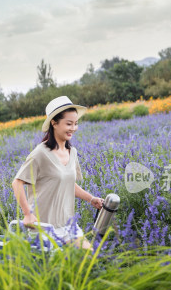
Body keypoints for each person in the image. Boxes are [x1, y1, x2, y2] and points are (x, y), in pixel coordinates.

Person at [11, 96, 104, 248]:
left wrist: (91, 198)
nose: (73, 128)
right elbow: (17, 183)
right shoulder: (40, 153)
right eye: (69, 124)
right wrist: (27, 214)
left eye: (76, 124)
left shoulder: (72, 152)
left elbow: (68, 184)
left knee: (88, 258)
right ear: (54, 122)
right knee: (53, 269)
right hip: (43, 227)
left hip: (68, 226)